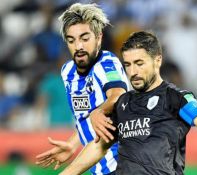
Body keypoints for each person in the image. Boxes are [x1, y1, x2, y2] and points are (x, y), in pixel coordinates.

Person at [59, 31, 197, 175]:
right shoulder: (123, 104)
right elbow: (99, 146)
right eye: (128, 65)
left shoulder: (175, 97)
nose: (133, 72)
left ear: (157, 60)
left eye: (139, 63)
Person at [35, 3, 130, 175]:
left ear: (99, 38)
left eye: (85, 38)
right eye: (71, 40)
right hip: (98, 169)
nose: (78, 46)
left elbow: (117, 96)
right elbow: (84, 116)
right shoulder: (67, 72)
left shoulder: (106, 63)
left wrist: (98, 112)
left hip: (124, 166)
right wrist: (73, 143)